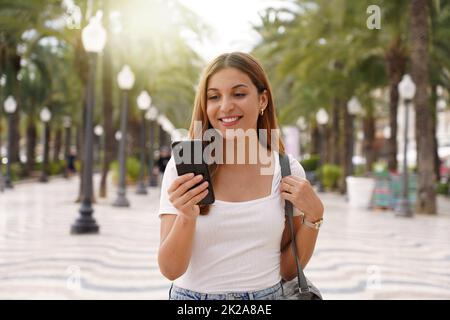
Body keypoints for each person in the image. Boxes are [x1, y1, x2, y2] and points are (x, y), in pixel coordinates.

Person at [157, 52, 324, 300]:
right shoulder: (184, 169)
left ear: (262, 100)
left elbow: (289, 270)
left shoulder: (286, 171)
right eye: (214, 97)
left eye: (239, 94)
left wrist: (314, 217)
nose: (225, 106)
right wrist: (186, 216)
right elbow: (171, 270)